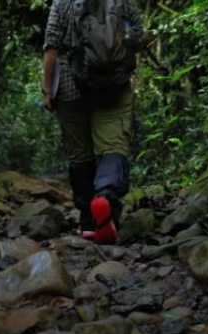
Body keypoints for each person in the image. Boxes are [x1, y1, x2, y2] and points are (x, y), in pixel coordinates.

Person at [42, 0, 147, 244]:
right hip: (113, 85)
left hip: (69, 86)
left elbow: (51, 47)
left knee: (80, 154)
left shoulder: (61, 3)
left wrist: (47, 90)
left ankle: (88, 221)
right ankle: (106, 198)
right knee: (113, 146)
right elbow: (137, 36)